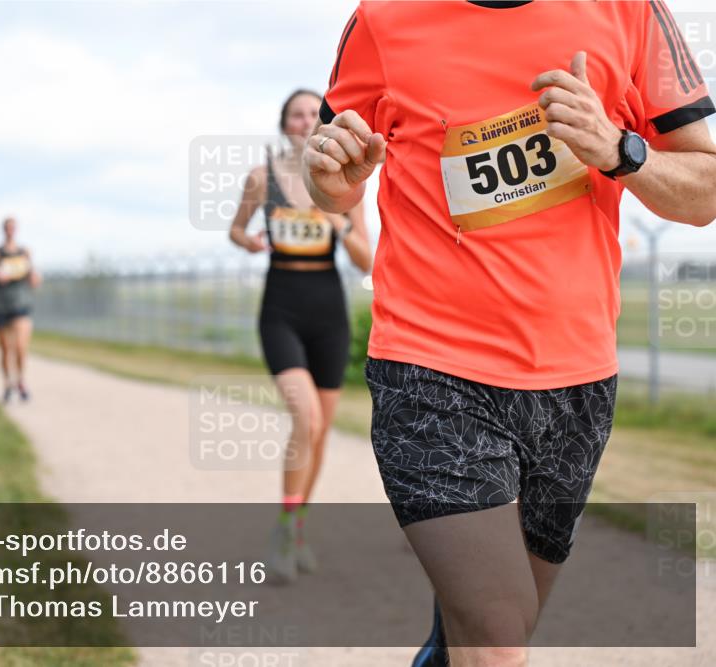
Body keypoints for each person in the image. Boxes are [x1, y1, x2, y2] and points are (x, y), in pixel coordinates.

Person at [306, 2, 715, 665]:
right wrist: (328, 180)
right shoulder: (384, 19)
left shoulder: (631, 11)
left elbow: (706, 190)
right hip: (429, 369)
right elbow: (331, 175)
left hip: (575, 382)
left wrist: (618, 149)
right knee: (496, 639)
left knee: (487, 630)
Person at [230, 89, 372, 584]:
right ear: (285, 123)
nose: (307, 120)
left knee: (320, 431)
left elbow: (366, 261)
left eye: (315, 113)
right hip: (280, 311)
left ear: (323, 123)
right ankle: (287, 529)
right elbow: (235, 229)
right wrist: (247, 240)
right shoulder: (261, 177)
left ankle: (296, 527)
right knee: (305, 417)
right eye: (297, 113)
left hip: (330, 316)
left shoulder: (345, 184)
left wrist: (338, 222)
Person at [0, 217, 40, 403]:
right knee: (5, 349)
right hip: (1, 305)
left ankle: (21, 381)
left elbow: (33, 277)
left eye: (13, 228)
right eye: (7, 228)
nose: (10, 231)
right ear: (3, 230)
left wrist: (34, 278)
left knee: (21, 347)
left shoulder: (24, 252)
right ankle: (7, 383)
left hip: (21, 304)